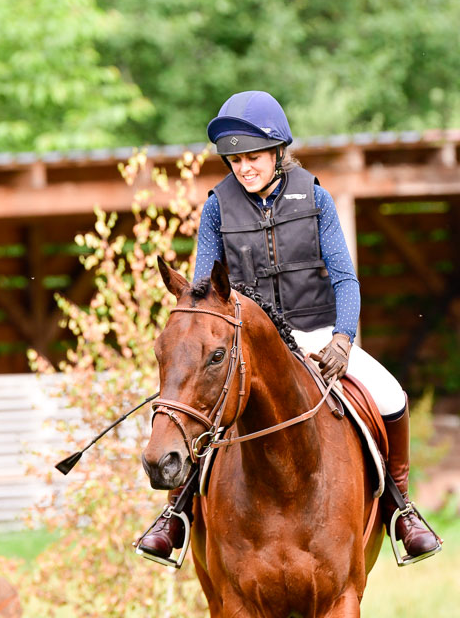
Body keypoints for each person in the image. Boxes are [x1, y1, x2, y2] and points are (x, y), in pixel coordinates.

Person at [137, 90, 441, 565]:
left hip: (317, 332)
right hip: (248, 341)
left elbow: (344, 277)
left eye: (253, 157)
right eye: (235, 159)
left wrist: (343, 339)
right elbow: (203, 292)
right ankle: (175, 512)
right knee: (202, 404)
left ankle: (401, 508)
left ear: (278, 152)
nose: (243, 168)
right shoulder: (217, 207)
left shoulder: (315, 197)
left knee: (391, 396)